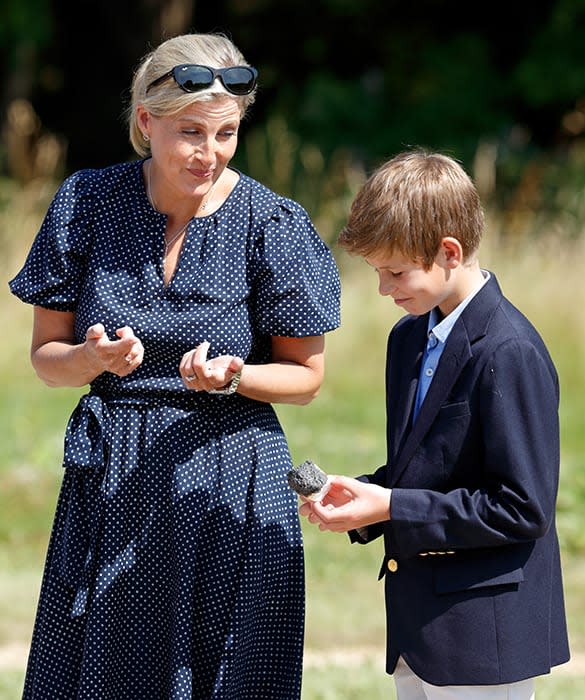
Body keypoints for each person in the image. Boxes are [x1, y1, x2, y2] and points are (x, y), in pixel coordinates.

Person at [9, 32, 340, 699]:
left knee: (224, 671)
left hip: (229, 477)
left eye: (226, 134)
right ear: (144, 121)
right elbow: (47, 361)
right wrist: (92, 358)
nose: (209, 153)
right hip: (115, 476)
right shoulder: (88, 203)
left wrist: (234, 375)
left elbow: (305, 377)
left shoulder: (271, 223)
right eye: (191, 132)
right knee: (106, 669)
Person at [300, 150, 570, 699]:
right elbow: (426, 468)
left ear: (450, 251)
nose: (383, 289)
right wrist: (367, 497)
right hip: (418, 629)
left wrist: (393, 505)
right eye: (377, 272)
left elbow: (523, 507)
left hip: (484, 637)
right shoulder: (406, 339)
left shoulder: (509, 351)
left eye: (395, 272)